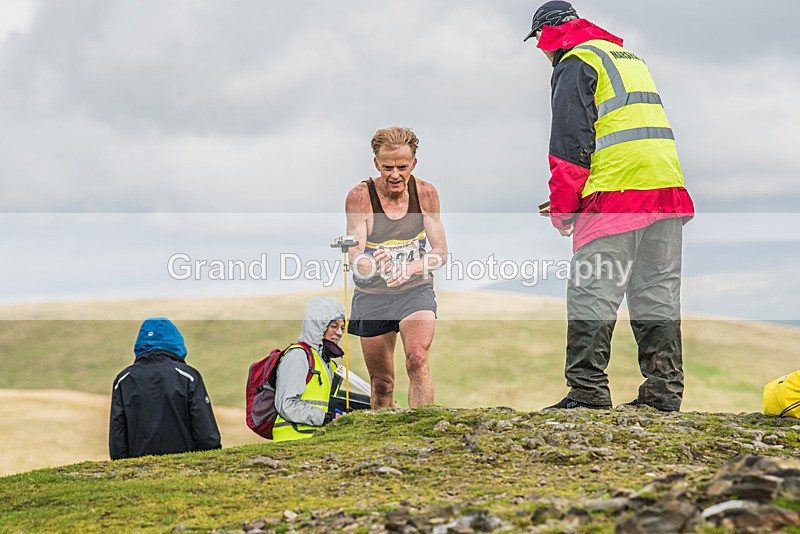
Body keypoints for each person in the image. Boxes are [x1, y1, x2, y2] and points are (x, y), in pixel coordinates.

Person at [524, 2, 695, 411]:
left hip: (616, 193)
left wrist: (566, 211)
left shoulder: (576, 60)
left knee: (591, 291)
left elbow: (569, 146)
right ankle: (663, 394)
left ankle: (587, 393)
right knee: (656, 293)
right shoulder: (627, 57)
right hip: (666, 188)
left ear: (547, 37)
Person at [345, 127, 448, 409]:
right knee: (382, 383)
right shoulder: (359, 197)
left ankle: (422, 434)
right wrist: (371, 263)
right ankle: (382, 444)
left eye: (402, 167)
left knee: (417, 360)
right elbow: (355, 254)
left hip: (415, 290)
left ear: (413, 164)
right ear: (376, 163)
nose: (395, 174)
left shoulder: (425, 194)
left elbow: (440, 251)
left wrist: (414, 266)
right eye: (387, 167)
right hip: (372, 295)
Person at [109, 317, 221, 459]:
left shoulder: (123, 380)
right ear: (175, 341)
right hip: (184, 467)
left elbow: (117, 436)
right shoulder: (188, 376)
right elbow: (206, 435)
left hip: (138, 471)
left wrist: (121, 468)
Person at [273, 296, 346, 442]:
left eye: (343, 328)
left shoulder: (327, 363)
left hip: (313, 439)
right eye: (334, 326)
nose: (339, 333)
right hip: (291, 439)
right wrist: (326, 418)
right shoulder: (298, 355)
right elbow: (286, 405)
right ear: (318, 325)